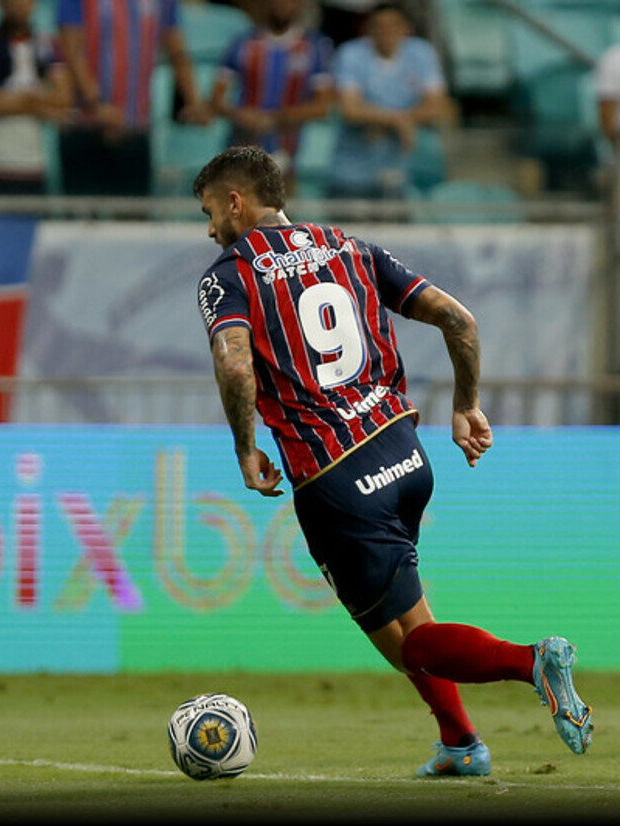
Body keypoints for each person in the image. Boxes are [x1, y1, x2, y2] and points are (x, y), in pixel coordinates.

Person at [193, 145, 593, 777]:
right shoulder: (353, 248)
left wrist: (246, 448)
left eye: (212, 211)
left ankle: (531, 661)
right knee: (409, 612)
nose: (212, 229)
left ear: (237, 201)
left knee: (408, 645)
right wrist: (466, 406)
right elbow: (458, 320)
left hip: (333, 476)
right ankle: (462, 745)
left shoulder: (228, 275)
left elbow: (234, 362)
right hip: (404, 451)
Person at [55, 0, 210, 196]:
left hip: (134, 130)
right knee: (80, 220)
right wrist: (97, 106)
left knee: (133, 220)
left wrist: (194, 101)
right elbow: (71, 49)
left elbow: (176, 50)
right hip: (84, 128)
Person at [328, 2, 455, 199]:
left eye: (393, 26)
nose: (386, 32)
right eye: (379, 26)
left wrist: (382, 120)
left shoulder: (422, 53)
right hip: (352, 170)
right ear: (368, 30)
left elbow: (440, 106)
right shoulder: (351, 54)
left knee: (401, 220)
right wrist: (400, 121)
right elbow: (350, 109)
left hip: (402, 169)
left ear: (406, 29)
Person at [208, 0, 333, 186]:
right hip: (242, 144)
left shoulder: (316, 47)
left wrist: (275, 118)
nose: (281, 5)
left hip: (290, 148)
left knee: (282, 204)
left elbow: (322, 107)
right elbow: (216, 100)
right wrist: (240, 114)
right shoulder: (242, 44)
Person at [0, 0, 72, 195]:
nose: (21, 5)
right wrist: (35, 103)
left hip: (34, 165)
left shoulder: (46, 45)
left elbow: (63, 98)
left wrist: (14, 101)